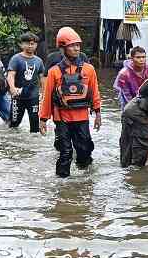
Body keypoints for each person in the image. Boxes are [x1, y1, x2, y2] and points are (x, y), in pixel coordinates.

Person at [39, 27, 102, 178]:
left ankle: (84, 181)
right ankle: (62, 184)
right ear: (63, 48)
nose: (76, 49)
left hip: (82, 117)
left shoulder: (89, 70)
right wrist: (43, 119)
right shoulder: (54, 71)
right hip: (62, 118)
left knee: (85, 150)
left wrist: (98, 113)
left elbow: (95, 92)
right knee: (65, 152)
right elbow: (47, 97)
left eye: (78, 45)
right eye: (72, 46)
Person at [7, 32, 45, 133]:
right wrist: (12, 88)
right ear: (21, 44)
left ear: (36, 45)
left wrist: (43, 93)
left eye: (33, 43)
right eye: (27, 43)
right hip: (18, 96)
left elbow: (42, 78)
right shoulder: (16, 59)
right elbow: (10, 75)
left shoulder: (39, 61)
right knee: (14, 124)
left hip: (33, 96)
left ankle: (33, 146)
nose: (30, 45)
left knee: (34, 124)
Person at [113, 46, 148, 111]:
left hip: (146, 98)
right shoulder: (124, 74)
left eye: (143, 57)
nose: (141, 60)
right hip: (128, 98)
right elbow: (126, 95)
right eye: (138, 57)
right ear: (132, 59)